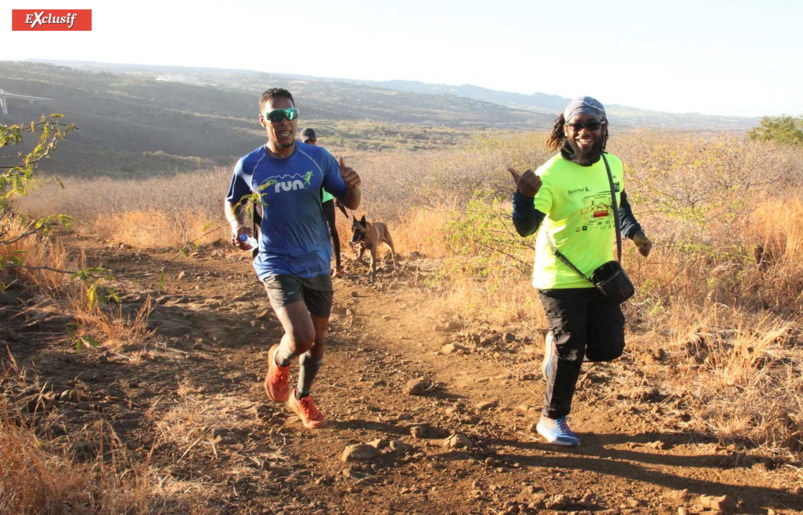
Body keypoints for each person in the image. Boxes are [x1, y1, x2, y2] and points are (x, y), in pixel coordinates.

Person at [508, 96, 652, 446]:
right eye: (577, 125)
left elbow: (619, 205)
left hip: (601, 274)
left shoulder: (612, 165)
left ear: (604, 129)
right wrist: (523, 198)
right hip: (559, 276)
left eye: (592, 124)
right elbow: (526, 228)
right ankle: (551, 420)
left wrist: (635, 234)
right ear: (566, 129)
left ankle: (554, 347)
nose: (585, 131)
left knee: (608, 348)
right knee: (572, 348)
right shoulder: (551, 173)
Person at [224, 88, 361, 429]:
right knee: (301, 337)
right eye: (274, 116)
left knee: (318, 343)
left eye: (288, 115)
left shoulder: (318, 158)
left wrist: (354, 184)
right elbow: (233, 201)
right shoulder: (250, 165)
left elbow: (352, 202)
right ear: (263, 121)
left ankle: (301, 396)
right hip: (275, 260)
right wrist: (238, 227)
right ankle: (279, 359)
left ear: (296, 117)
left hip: (316, 260)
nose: (282, 123)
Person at [300, 127, 346, 278]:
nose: (311, 143)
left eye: (312, 140)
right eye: (307, 141)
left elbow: (336, 174)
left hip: (325, 197)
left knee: (331, 230)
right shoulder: (297, 156)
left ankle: (338, 266)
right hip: (308, 199)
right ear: (302, 141)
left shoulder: (323, 154)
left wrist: (340, 195)